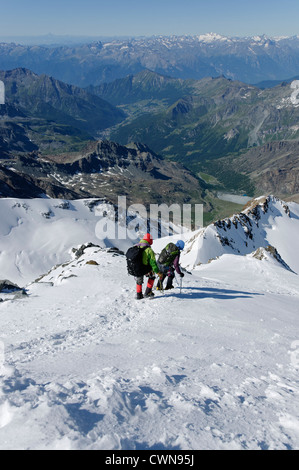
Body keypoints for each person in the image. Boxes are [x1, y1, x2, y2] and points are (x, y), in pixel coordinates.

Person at [135, 233, 163, 300]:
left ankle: (139, 295)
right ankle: (148, 292)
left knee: (139, 280)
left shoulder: (136, 246)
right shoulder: (149, 250)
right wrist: (158, 272)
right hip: (145, 268)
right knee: (152, 276)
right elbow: (153, 263)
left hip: (137, 267)